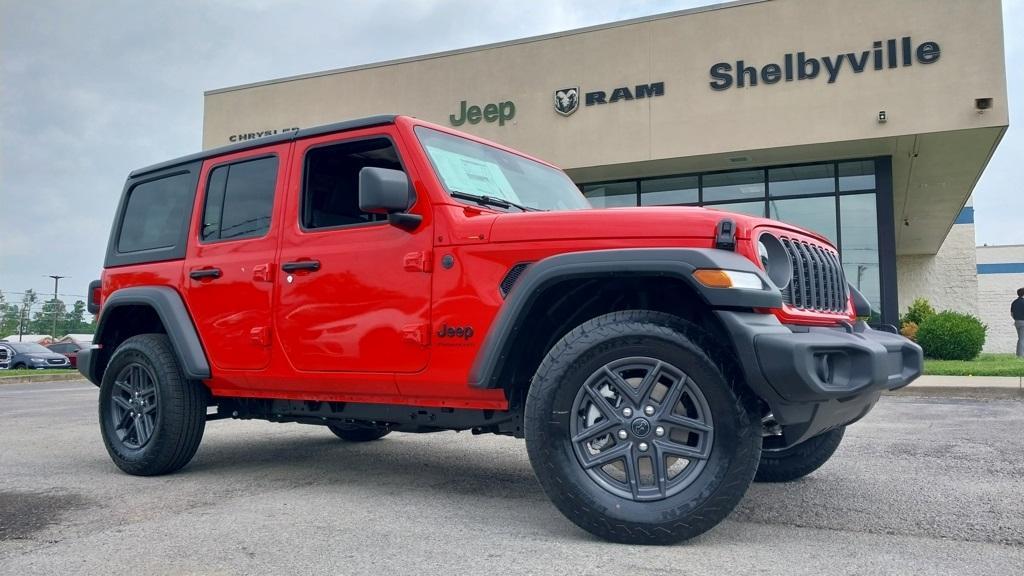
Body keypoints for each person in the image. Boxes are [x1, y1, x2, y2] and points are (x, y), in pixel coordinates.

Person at [1014, 287, 1024, 358]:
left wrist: (1016, 319)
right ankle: (1021, 355)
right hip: (1023, 322)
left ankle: (1018, 353)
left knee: (1020, 338)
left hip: (1017, 322)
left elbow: (1012, 313)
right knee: (1022, 338)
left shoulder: (1014, 302)